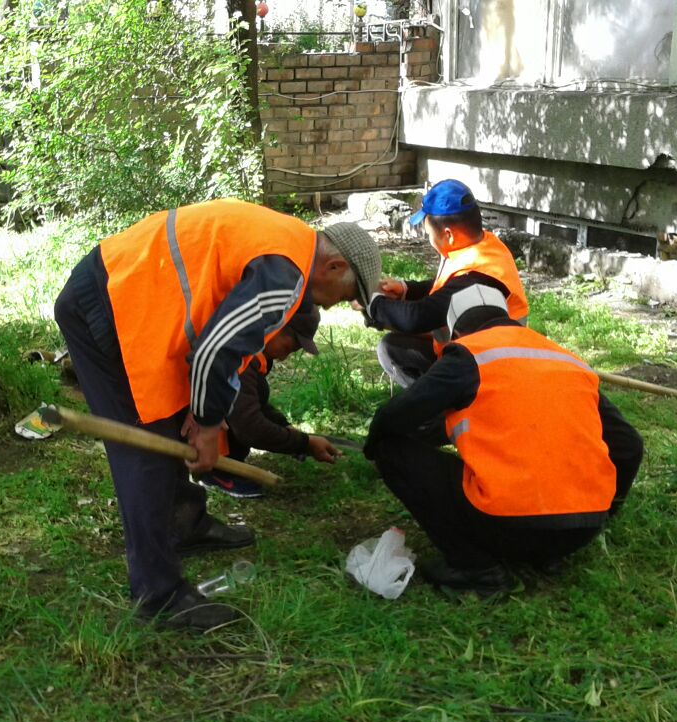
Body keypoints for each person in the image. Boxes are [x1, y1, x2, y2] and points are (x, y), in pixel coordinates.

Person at [54, 200, 381, 630]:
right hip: (108, 302)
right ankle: (158, 595)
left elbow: (224, 339)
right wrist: (209, 425)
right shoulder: (285, 272)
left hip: (131, 302)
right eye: (346, 297)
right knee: (144, 448)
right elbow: (216, 349)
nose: (338, 305)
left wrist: (199, 411)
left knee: (169, 422)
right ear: (335, 266)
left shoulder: (287, 245)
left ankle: (184, 524)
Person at [363, 286, 644, 595]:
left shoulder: (468, 353)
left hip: (506, 525)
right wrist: (600, 512)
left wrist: (372, 444)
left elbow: (396, 415)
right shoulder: (566, 360)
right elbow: (629, 446)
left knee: (390, 450)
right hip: (583, 529)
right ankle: (547, 556)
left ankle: (476, 569)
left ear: (456, 331)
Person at [367, 179, 529, 388]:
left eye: (428, 233)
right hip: (481, 354)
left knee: (390, 348)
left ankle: (441, 411)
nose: (429, 239)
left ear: (448, 235)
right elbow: (447, 286)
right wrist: (407, 289)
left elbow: (417, 318)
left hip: (489, 371)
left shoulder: (476, 278)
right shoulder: (484, 246)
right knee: (393, 345)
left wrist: (372, 302)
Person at [199, 305, 342, 499]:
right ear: (273, 327)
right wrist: (304, 444)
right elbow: (249, 426)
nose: (284, 357)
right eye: (287, 348)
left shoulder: (252, 349)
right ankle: (218, 471)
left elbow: (253, 405)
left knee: (258, 389)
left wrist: (285, 427)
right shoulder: (241, 358)